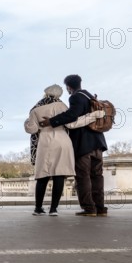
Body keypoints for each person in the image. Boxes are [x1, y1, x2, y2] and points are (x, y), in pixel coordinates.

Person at [24, 84, 103, 216]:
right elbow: (72, 124)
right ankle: (53, 209)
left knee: (42, 176)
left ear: (45, 93)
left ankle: (38, 208)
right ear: (59, 94)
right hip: (62, 142)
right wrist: (93, 116)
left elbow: (31, 129)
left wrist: (27, 122)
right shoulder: (62, 106)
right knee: (59, 175)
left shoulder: (35, 109)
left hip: (44, 143)